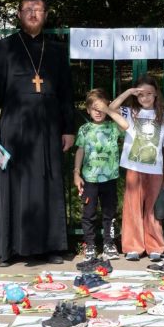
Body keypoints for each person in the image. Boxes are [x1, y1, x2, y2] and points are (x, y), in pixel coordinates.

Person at [0, 0, 75, 267]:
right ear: (19, 15)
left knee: (49, 183)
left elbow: (67, 93)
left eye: (38, 9)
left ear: (46, 14)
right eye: (27, 9)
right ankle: (9, 248)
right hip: (14, 124)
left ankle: (51, 246)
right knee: (14, 184)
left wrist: (69, 128)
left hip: (48, 125)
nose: (33, 13)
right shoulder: (6, 47)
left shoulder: (57, 50)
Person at [106, 76, 164, 262]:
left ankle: (155, 245)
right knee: (132, 206)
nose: (145, 98)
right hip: (133, 167)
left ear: (156, 95)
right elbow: (111, 108)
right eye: (141, 94)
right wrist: (129, 92)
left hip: (155, 170)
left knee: (153, 209)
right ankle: (133, 246)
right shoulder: (130, 112)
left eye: (149, 94)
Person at [73, 89, 123, 261]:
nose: (98, 111)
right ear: (87, 110)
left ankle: (109, 244)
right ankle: (90, 245)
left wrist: (110, 109)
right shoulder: (84, 129)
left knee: (109, 213)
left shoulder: (113, 127)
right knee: (89, 214)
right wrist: (76, 173)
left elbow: (126, 126)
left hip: (109, 179)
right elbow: (80, 150)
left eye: (101, 108)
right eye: (94, 108)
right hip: (90, 179)